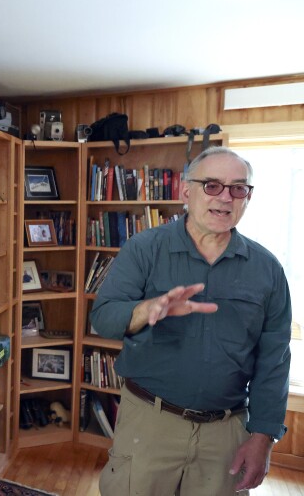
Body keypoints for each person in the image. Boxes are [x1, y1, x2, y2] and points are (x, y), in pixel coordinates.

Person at [90, 146, 291, 496]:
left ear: (247, 198)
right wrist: (146, 310)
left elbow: (274, 360)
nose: (225, 197)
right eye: (212, 185)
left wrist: (263, 437)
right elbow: (104, 318)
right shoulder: (143, 248)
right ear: (186, 191)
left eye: (238, 188)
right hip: (150, 422)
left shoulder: (268, 269)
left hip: (226, 431)